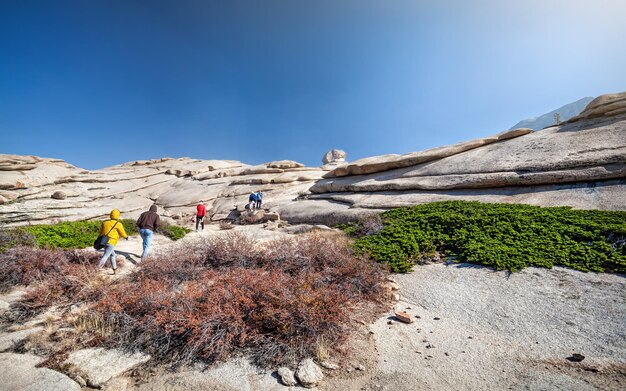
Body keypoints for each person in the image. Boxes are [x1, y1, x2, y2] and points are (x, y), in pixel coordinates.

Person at [98, 209, 128, 274]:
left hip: (104, 241)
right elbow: (122, 233)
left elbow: (100, 232)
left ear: (111, 215)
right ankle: (97, 270)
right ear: (118, 215)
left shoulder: (105, 222)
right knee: (105, 256)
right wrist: (126, 237)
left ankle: (115, 269)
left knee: (113, 255)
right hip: (111, 242)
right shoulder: (118, 224)